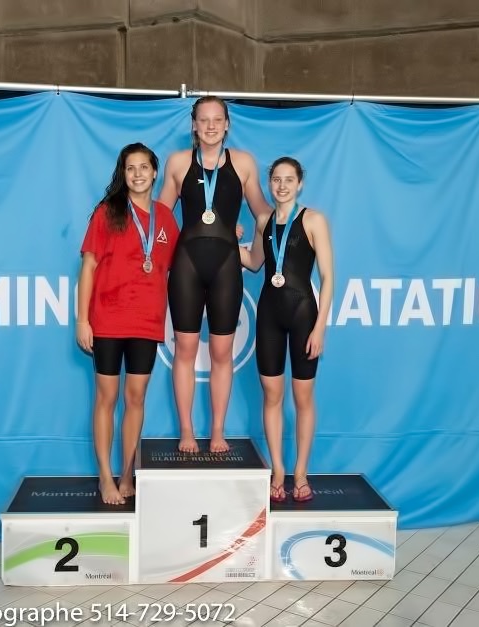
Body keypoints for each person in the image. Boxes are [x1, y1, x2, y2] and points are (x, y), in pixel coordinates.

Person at [159, 96, 273, 454]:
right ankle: (187, 431)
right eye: (203, 120)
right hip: (187, 265)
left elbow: (263, 212)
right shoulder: (178, 163)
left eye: (217, 119)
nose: (210, 126)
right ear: (193, 125)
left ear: (227, 124)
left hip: (226, 265)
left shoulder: (243, 163)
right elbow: (161, 217)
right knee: (186, 350)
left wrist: (288, 225)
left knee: (222, 351)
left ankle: (219, 431)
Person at [76, 143, 180, 505]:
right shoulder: (107, 213)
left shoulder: (166, 219)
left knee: (135, 399)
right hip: (106, 320)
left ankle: (126, 474)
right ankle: (105, 477)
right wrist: (82, 320)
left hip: (146, 322)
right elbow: (88, 266)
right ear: (124, 174)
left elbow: (175, 266)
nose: (137, 174)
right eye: (130, 168)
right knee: (107, 398)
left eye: (144, 168)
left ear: (155, 173)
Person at [239, 157, 333, 502]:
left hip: (304, 314)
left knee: (303, 397)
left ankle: (301, 472)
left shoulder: (313, 220)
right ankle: (278, 469)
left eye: (288, 179)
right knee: (271, 395)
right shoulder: (263, 220)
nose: (281, 186)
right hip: (269, 314)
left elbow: (328, 278)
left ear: (300, 183)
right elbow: (253, 263)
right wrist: (227, 240)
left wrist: (320, 327)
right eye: (276, 179)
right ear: (269, 182)